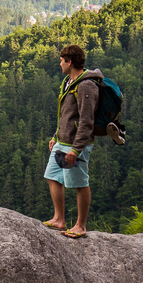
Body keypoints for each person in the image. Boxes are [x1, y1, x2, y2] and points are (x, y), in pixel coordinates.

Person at [43, 44, 104, 238]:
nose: (60, 63)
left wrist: (76, 150)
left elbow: (86, 121)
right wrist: (56, 136)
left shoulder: (86, 85)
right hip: (63, 141)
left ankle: (80, 226)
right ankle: (59, 219)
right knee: (52, 176)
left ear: (70, 62)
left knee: (79, 183)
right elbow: (66, 115)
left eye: (62, 60)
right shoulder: (68, 81)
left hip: (75, 145)